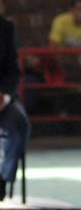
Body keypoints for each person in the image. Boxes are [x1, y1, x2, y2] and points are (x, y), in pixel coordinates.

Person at [0, 12, 30, 201]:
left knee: (19, 124)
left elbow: (13, 71)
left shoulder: (5, 27)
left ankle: (2, 178)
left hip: (2, 98)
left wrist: (5, 96)